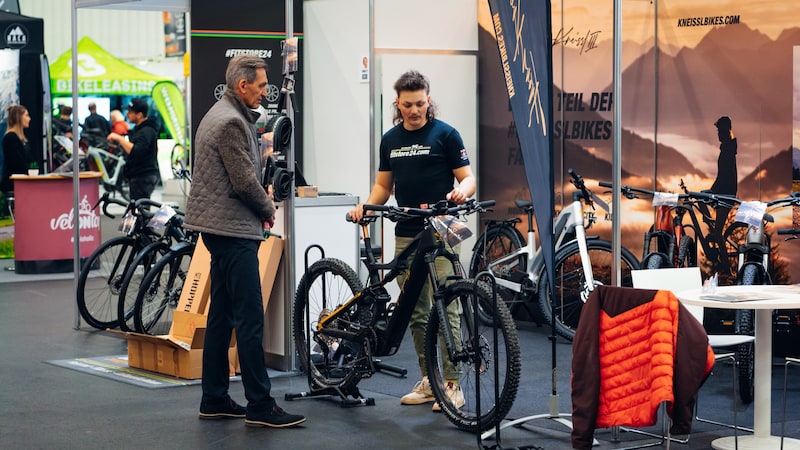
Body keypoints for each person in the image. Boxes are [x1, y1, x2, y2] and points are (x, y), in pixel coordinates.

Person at [183, 54, 306, 428]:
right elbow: (244, 181)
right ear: (242, 85)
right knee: (250, 318)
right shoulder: (233, 123)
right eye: (261, 85)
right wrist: (269, 207)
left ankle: (215, 398)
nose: (265, 92)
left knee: (222, 314)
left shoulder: (217, 113)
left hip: (218, 228)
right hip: (232, 230)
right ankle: (260, 405)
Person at [348, 70, 476, 411]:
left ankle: (452, 384)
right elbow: (383, 187)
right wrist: (367, 205)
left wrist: (460, 192)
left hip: (443, 227)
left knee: (446, 304)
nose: (415, 110)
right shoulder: (390, 139)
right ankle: (429, 379)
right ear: (398, 104)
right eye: (408, 105)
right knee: (416, 311)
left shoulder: (446, 135)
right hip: (406, 232)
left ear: (428, 100)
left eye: (420, 103)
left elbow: (468, 178)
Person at [106, 98, 160, 201]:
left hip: (142, 176)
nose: (127, 115)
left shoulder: (146, 131)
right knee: (138, 209)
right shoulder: (141, 130)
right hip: (140, 175)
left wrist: (119, 138)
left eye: (130, 112)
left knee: (140, 210)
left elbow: (136, 151)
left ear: (139, 115)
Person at [708, 115, 738, 256]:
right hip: (724, 193)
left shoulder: (728, 150)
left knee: (719, 233)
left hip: (725, 195)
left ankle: (726, 267)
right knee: (702, 197)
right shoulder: (728, 147)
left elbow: (725, 176)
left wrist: (712, 191)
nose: (718, 134)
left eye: (719, 131)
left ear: (725, 131)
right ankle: (711, 226)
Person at [1, 104, 33, 194]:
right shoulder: (10, 138)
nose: (29, 119)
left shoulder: (21, 138)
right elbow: (17, 163)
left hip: (22, 183)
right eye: (26, 115)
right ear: (18, 118)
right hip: (13, 184)